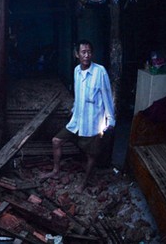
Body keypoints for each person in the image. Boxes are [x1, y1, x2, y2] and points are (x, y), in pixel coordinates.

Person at [41, 40, 115, 193]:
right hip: (77, 120)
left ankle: (84, 182)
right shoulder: (76, 71)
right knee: (56, 140)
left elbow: (107, 96)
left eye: (89, 52)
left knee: (91, 155)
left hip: (92, 122)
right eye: (83, 52)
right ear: (77, 54)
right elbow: (78, 93)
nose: (86, 55)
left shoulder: (100, 71)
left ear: (92, 54)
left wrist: (111, 119)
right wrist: (74, 108)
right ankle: (55, 171)